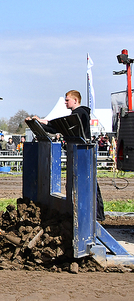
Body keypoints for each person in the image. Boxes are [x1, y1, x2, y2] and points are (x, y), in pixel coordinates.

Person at [29, 89, 104, 221]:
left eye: (67, 99)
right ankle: (91, 214)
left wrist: (44, 121)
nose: (65, 102)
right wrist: (42, 122)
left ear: (75, 100)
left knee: (88, 184)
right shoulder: (78, 115)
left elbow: (63, 124)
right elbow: (57, 127)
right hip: (80, 153)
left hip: (83, 153)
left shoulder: (80, 114)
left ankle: (95, 215)